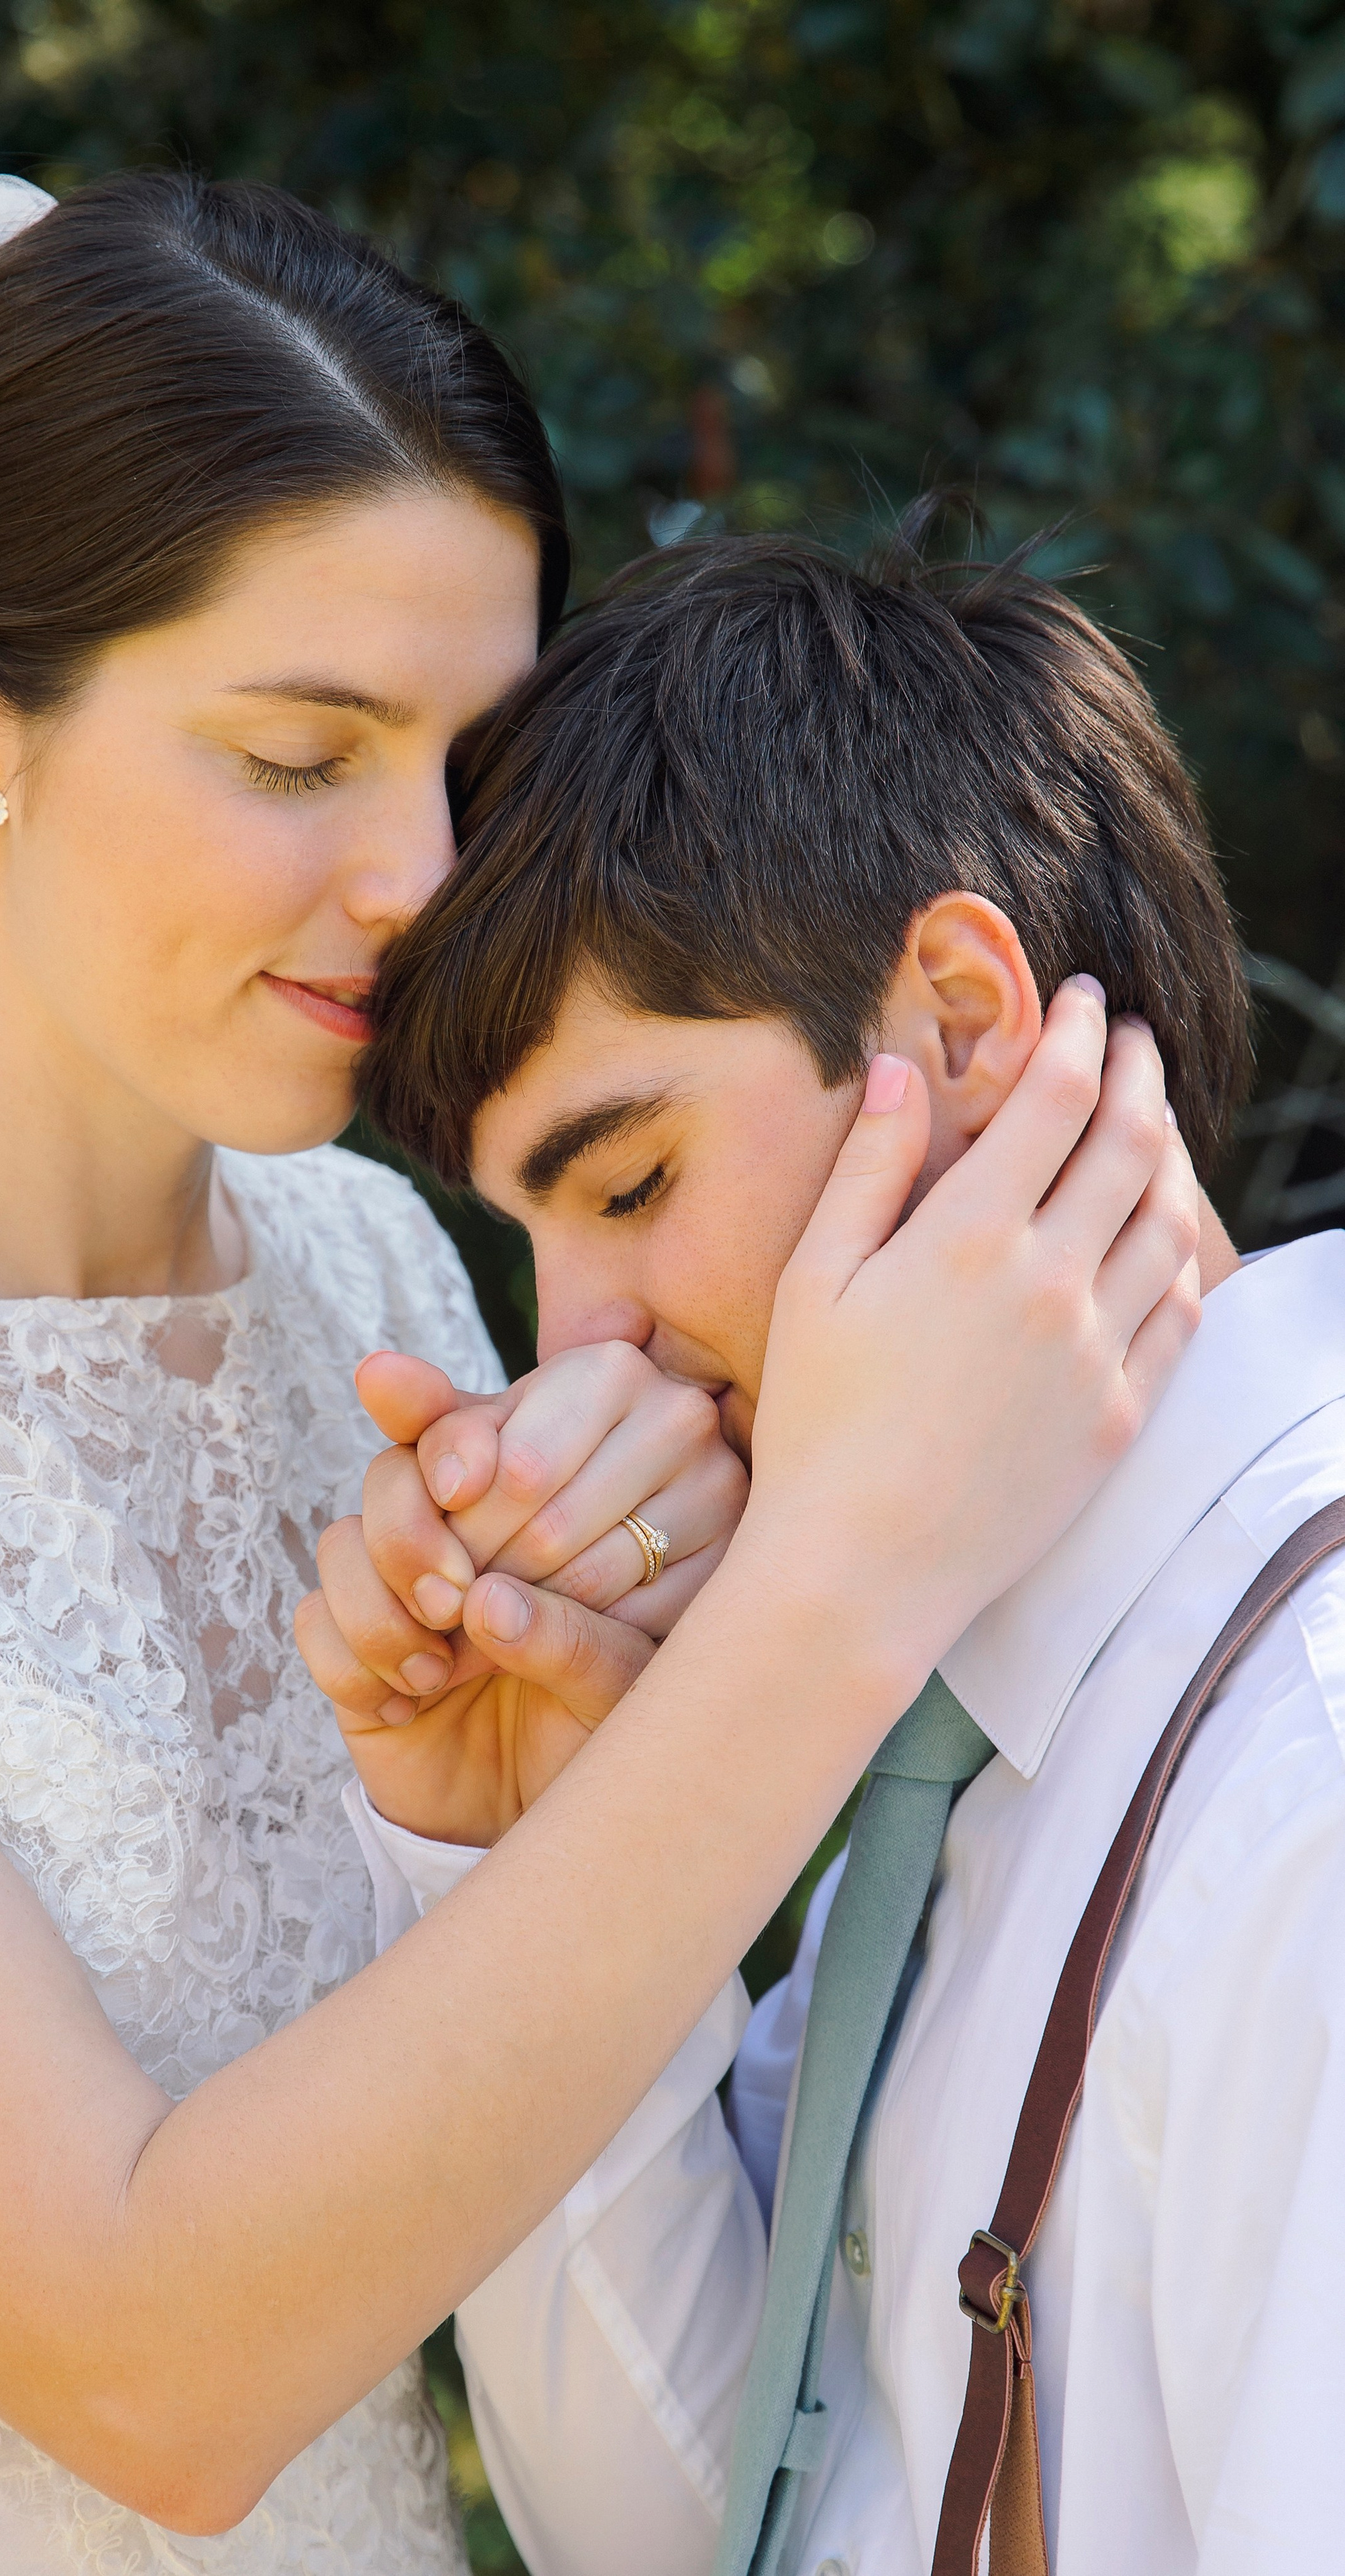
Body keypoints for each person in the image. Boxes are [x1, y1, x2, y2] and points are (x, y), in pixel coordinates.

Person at [0, 165, 1193, 2576]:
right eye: (298, 754)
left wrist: (506, 1819)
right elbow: (153, 2374)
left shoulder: (378, 1279)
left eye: (466, 766)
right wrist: (854, 1568)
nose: (419, 879)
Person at [314, 530, 1337, 2576]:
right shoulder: (956, 1726)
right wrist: (534, 1847)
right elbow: (702, 2527)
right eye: (535, 1244)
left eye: (633, 1182)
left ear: (959, 1019)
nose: (580, 1345)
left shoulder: (1306, 1766)